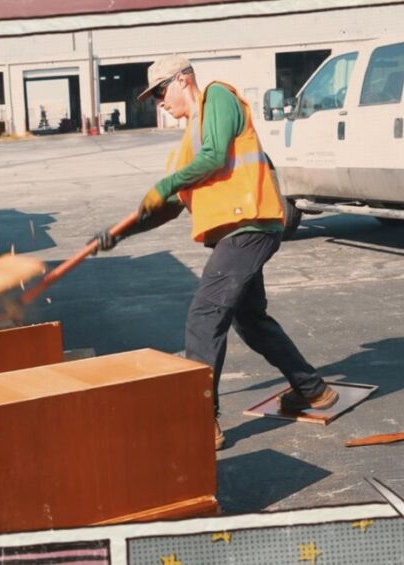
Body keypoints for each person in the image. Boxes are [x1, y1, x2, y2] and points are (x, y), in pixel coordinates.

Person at [91, 55, 337, 450]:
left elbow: (216, 155)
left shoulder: (217, 97)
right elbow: (169, 204)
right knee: (250, 321)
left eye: (161, 91)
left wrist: (166, 183)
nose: (159, 102)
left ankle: (201, 420)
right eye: (154, 96)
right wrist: (122, 233)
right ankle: (312, 390)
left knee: (204, 318)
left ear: (183, 79)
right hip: (235, 234)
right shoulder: (187, 141)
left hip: (251, 225)